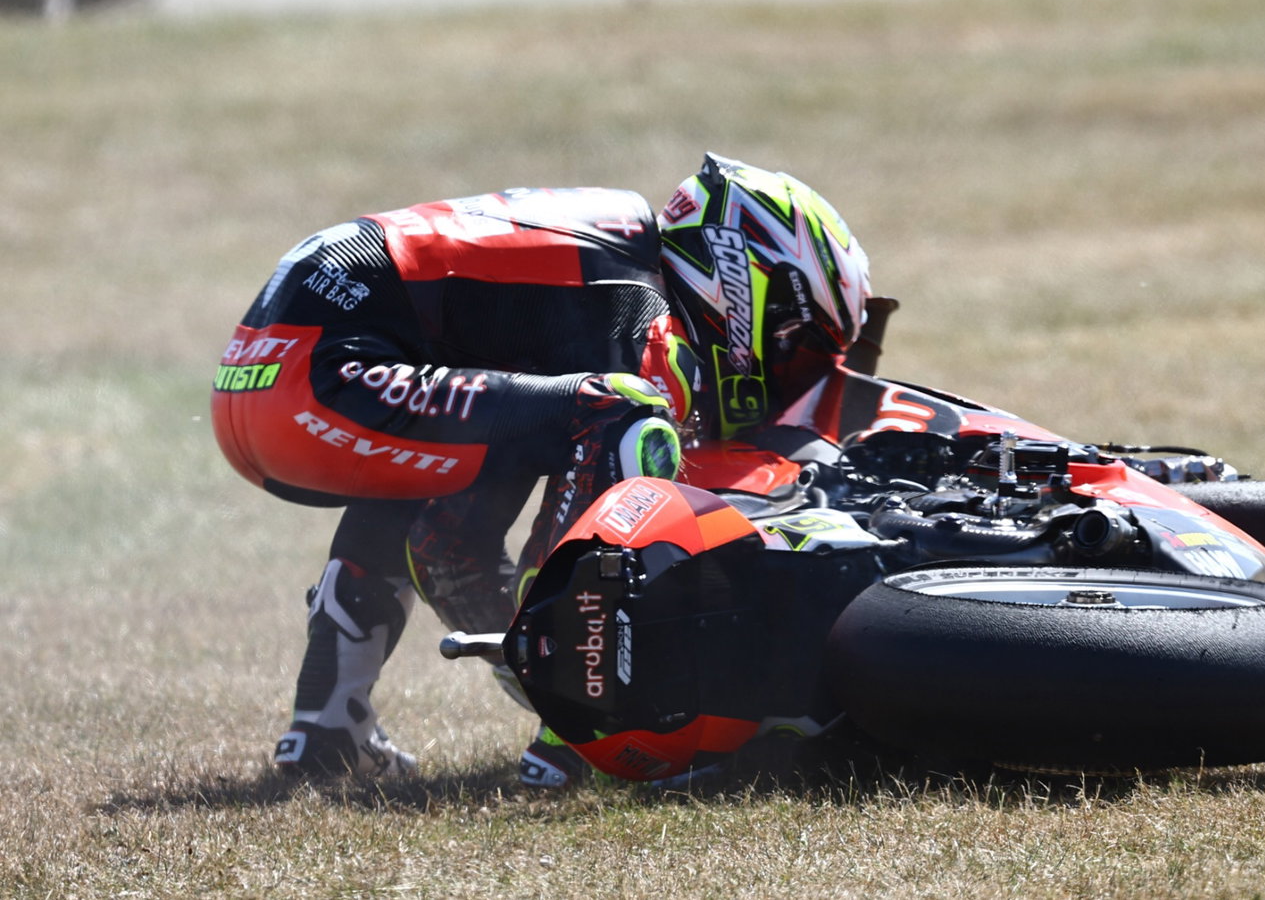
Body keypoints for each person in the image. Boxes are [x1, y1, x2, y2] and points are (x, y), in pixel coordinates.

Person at [211, 153, 873, 784]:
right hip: (320, 375)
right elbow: (628, 442)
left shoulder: (611, 248)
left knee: (470, 457)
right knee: (625, 413)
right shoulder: (640, 292)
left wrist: (462, 552)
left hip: (260, 384)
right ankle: (573, 735)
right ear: (744, 273)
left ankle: (325, 729)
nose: (787, 372)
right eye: (796, 345)